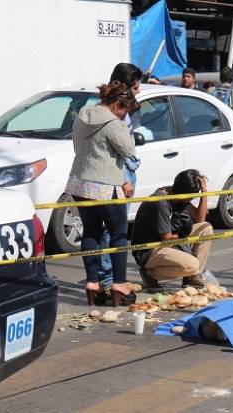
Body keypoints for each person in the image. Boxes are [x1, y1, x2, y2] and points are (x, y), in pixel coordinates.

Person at [65, 81, 139, 306]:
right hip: (105, 187)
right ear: (117, 104)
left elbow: (80, 147)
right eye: (124, 110)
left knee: (90, 232)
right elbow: (129, 150)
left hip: (79, 184)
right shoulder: (114, 124)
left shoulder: (81, 116)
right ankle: (119, 284)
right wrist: (124, 126)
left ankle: (92, 283)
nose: (124, 115)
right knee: (118, 235)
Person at [96, 63, 143, 296]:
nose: (139, 90)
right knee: (114, 230)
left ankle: (113, 279)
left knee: (114, 230)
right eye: (136, 86)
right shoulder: (117, 114)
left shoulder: (110, 108)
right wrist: (130, 169)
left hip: (120, 171)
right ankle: (110, 281)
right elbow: (122, 147)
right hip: (119, 173)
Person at [131, 170, 213, 289]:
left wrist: (204, 192)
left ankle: (192, 277)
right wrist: (183, 237)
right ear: (184, 193)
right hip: (149, 249)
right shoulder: (161, 202)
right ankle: (150, 274)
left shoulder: (177, 195)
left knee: (206, 228)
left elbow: (200, 218)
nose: (193, 198)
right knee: (192, 265)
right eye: (193, 195)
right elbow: (167, 239)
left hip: (167, 240)